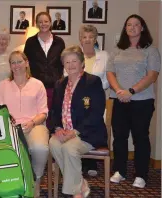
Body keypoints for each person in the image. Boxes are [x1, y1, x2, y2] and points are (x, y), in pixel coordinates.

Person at [107, 14, 160, 188]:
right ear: (125, 28)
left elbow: (152, 76)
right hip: (119, 99)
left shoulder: (150, 50)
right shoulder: (117, 49)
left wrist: (131, 91)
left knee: (140, 138)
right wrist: (119, 91)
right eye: (129, 24)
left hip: (142, 101)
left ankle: (141, 175)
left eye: (136, 24)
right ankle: (120, 171)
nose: (132, 27)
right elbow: (110, 73)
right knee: (119, 137)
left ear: (142, 28)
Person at [49, 45, 107, 198]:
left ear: (82, 63)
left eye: (74, 61)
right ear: (64, 65)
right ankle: (80, 183)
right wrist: (57, 128)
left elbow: (96, 112)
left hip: (87, 133)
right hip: (64, 132)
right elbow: (54, 111)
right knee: (54, 144)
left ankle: (75, 193)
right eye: (67, 62)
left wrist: (75, 131)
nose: (71, 65)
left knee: (69, 148)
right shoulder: (60, 84)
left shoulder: (93, 82)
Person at [0, 51, 49, 198]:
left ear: (27, 63)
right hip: (10, 128)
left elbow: (43, 112)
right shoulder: (3, 85)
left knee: (40, 147)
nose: (16, 65)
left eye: (19, 61)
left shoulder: (38, 85)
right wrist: (8, 122)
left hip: (34, 125)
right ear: (10, 66)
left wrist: (32, 122)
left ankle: (36, 180)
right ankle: (13, 183)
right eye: (13, 62)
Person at [78, 24, 110, 176]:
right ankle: (79, 162)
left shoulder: (104, 56)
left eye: (91, 37)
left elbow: (108, 79)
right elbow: (67, 75)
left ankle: (91, 163)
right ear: (80, 39)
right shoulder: (75, 55)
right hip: (77, 100)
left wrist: (91, 86)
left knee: (93, 125)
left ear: (95, 39)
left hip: (97, 99)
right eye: (84, 37)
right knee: (78, 125)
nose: (87, 40)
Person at [24, 12, 65, 113]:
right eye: (40, 22)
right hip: (35, 86)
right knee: (37, 114)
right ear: (37, 24)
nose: (43, 24)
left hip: (55, 87)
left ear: (50, 23)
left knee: (53, 114)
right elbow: (26, 63)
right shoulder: (30, 42)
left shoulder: (59, 42)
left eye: (46, 21)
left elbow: (63, 62)